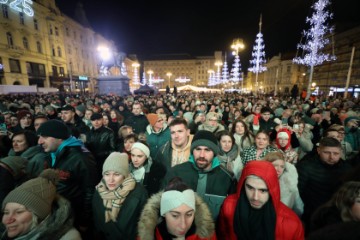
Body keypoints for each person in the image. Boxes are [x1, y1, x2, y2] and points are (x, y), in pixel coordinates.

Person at [36, 119, 97, 235]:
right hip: (58, 213)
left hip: (74, 217)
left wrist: (84, 220)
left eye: (44, 137)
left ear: (59, 138)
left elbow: (90, 190)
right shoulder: (53, 153)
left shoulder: (81, 157)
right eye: (39, 137)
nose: (39, 141)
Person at [217, 160, 304, 239]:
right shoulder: (228, 206)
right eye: (250, 188)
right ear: (242, 185)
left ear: (273, 190)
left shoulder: (292, 223)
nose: (255, 197)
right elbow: (223, 235)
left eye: (263, 190)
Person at [163, 130, 236, 220]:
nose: (202, 155)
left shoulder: (227, 178)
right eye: (198, 149)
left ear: (214, 153)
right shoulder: (176, 173)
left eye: (207, 150)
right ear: (192, 151)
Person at [1, 169, 81, 239]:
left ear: (40, 216)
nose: (7, 220)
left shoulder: (69, 237)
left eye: (19, 212)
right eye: (6, 212)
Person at [296, 137, 353, 233]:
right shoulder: (306, 167)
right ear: (319, 150)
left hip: (338, 216)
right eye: (327, 153)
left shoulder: (347, 169)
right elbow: (298, 193)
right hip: (312, 215)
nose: (331, 157)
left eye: (336, 153)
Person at [137, 177, 216, 240]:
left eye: (189, 214)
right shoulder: (147, 236)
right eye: (175, 215)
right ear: (163, 213)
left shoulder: (207, 236)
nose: (183, 225)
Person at [92, 152, 148, 240]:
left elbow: (145, 225)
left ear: (125, 175)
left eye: (116, 174)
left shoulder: (139, 194)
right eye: (107, 174)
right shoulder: (99, 191)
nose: (111, 179)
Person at [263, 151, 303, 216]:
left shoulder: (290, 185)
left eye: (282, 166)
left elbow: (299, 209)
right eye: (275, 165)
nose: (279, 169)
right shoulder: (258, 182)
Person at [85, 113, 116, 181]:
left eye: (98, 119)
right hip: (91, 162)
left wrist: (100, 154)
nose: (96, 122)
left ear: (102, 120)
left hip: (104, 162)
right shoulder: (88, 133)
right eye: (93, 120)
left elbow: (113, 150)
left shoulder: (109, 132)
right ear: (91, 121)